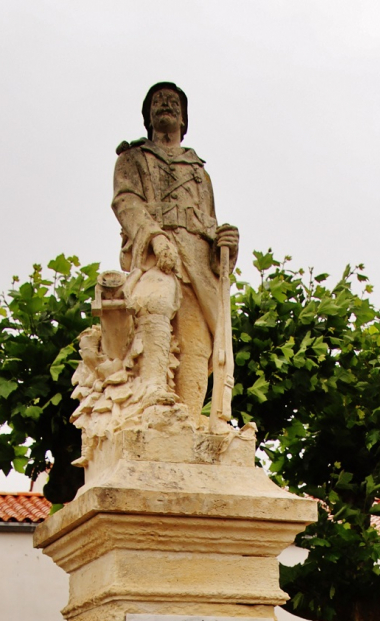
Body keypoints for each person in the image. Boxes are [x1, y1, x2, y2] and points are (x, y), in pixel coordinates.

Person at [112, 82, 239, 421]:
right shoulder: (133, 159)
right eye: (158, 101)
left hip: (197, 264)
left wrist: (224, 245)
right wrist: (153, 235)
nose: (166, 105)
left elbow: (208, 225)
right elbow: (126, 202)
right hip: (155, 255)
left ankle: (189, 424)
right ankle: (153, 400)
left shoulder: (199, 173)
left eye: (173, 102)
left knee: (197, 345)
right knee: (154, 305)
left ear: (184, 119)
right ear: (148, 115)